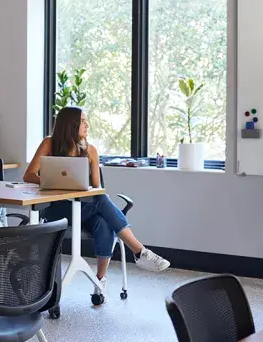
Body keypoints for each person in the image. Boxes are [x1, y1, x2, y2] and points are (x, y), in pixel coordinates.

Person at [24, 106, 170, 302]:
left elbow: (96, 187)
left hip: (83, 209)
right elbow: (28, 175)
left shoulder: (90, 150)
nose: (87, 125)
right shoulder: (49, 144)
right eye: (83, 121)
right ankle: (139, 252)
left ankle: (100, 281)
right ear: (70, 125)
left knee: (102, 216)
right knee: (103, 209)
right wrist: (52, 181)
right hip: (57, 208)